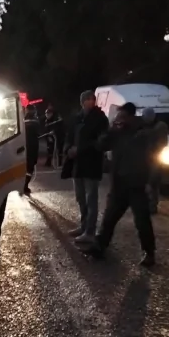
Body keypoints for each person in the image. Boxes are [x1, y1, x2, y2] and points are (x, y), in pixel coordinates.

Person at [84, 102, 156, 267]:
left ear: (130, 117)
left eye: (123, 116)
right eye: (119, 116)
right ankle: (100, 246)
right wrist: (112, 129)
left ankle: (149, 252)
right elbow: (100, 145)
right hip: (119, 184)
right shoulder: (117, 132)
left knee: (142, 220)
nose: (120, 119)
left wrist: (150, 182)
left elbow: (149, 155)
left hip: (137, 184)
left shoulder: (142, 132)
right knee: (109, 218)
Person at [64, 90, 109, 243]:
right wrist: (68, 149)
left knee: (91, 199)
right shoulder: (77, 118)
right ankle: (83, 226)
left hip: (91, 164)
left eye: (92, 99)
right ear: (82, 102)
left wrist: (80, 149)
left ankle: (90, 231)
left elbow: (101, 142)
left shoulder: (100, 118)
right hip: (77, 164)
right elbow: (69, 136)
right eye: (87, 99)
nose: (90, 101)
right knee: (81, 198)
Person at [141, 107, 168, 214]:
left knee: (153, 182)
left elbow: (161, 143)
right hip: (148, 158)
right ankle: (149, 205)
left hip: (155, 158)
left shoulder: (160, 127)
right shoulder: (146, 126)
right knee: (149, 183)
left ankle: (152, 206)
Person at [24, 108, 41, 195]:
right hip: (33, 147)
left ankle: (23, 184)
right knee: (30, 168)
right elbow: (39, 133)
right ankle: (25, 185)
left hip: (23, 147)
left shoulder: (23, 120)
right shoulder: (35, 122)